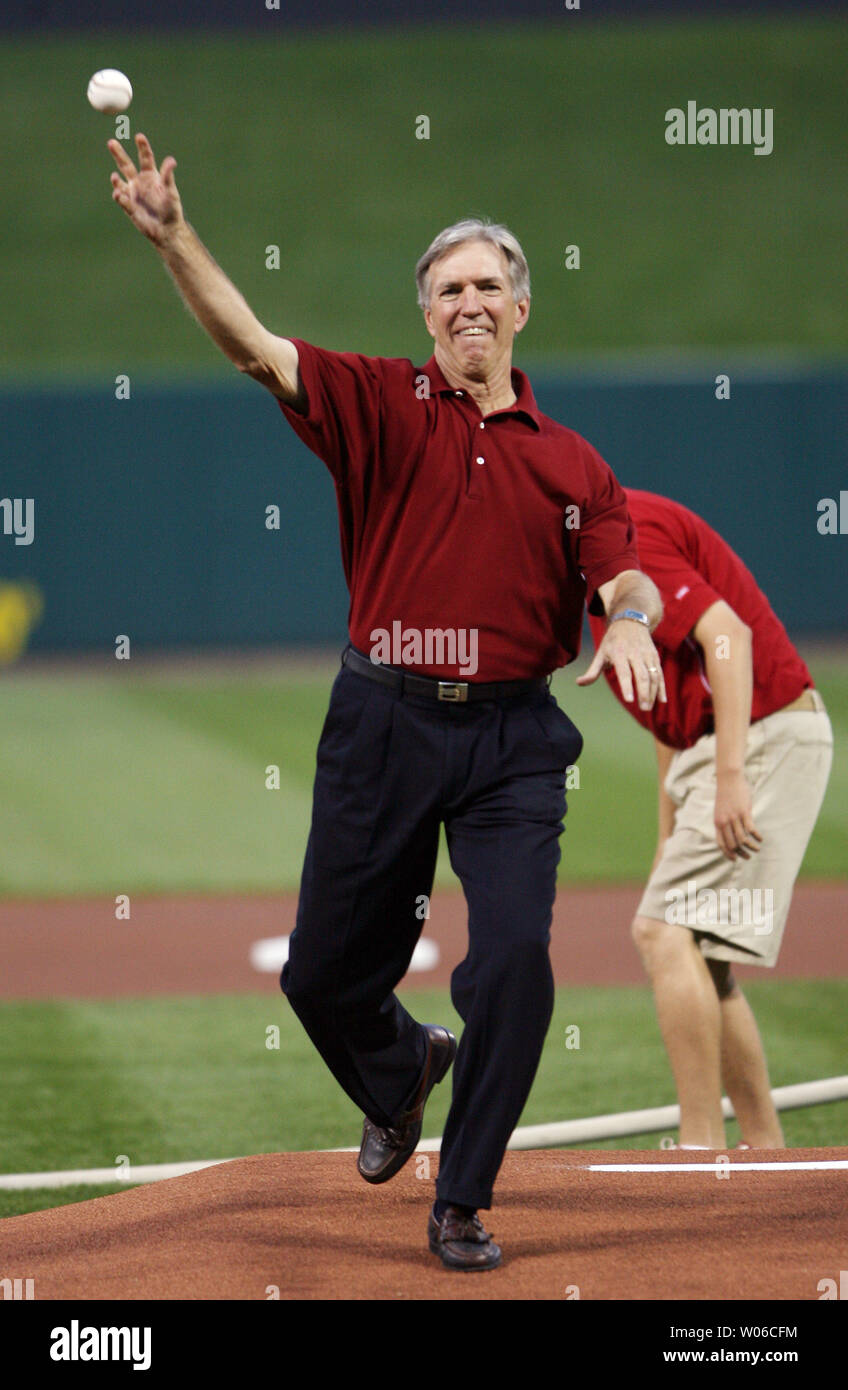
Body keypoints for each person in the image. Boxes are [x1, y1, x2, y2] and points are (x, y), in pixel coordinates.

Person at [107, 133, 667, 1270]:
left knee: (513, 960)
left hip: (512, 737)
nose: (467, 303)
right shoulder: (376, 402)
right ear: (427, 317)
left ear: (520, 307)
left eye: (484, 286)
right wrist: (174, 239)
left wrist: (631, 620)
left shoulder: (570, 463)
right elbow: (252, 345)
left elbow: (623, 568)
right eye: (446, 289)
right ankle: (401, 1067)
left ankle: (461, 1196)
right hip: (384, 719)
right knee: (320, 974)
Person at [587, 489, 833, 1151]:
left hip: (764, 734)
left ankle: (700, 1148)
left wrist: (731, 779)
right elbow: (666, 715)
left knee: (661, 933)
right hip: (726, 743)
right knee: (706, 957)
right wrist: (669, 835)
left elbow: (728, 638)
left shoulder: (627, 542)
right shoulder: (599, 577)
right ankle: (763, 1147)